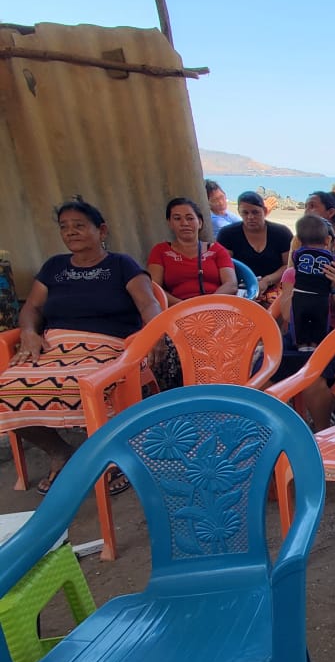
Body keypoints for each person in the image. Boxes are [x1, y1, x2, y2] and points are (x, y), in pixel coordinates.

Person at [0, 199, 161, 494]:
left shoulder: (121, 265)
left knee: (92, 386)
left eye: (79, 226)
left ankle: (112, 455)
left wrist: (153, 335)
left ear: (101, 231)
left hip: (109, 346)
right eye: (64, 227)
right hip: (56, 346)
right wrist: (28, 331)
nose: (71, 232)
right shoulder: (54, 267)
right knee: (7, 390)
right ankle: (60, 452)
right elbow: (32, 307)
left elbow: (148, 304)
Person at [273, 213, 335, 431]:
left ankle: (321, 432)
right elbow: (287, 316)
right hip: (299, 338)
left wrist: (334, 288)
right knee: (264, 374)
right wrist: (301, 281)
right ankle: (283, 432)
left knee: (312, 377)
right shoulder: (291, 274)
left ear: (330, 243)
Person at [146, 197, 238, 305]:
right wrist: (184, 307)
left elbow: (231, 284)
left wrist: (209, 304)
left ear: (200, 223)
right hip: (177, 310)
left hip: (216, 307)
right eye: (177, 218)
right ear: (170, 223)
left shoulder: (216, 250)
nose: (184, 223)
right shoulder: (160, 251)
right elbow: (154, 288)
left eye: (190, 218)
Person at [216, 191, 293, 307]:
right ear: (239, 213)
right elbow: (225, 265)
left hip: (275, 286)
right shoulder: (228, 234)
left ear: (265, 211)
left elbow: (288, 265)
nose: (250, 217)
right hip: (241, 287)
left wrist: (267, 281)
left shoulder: (281, 233)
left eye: (255, 212)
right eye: (245, 213)